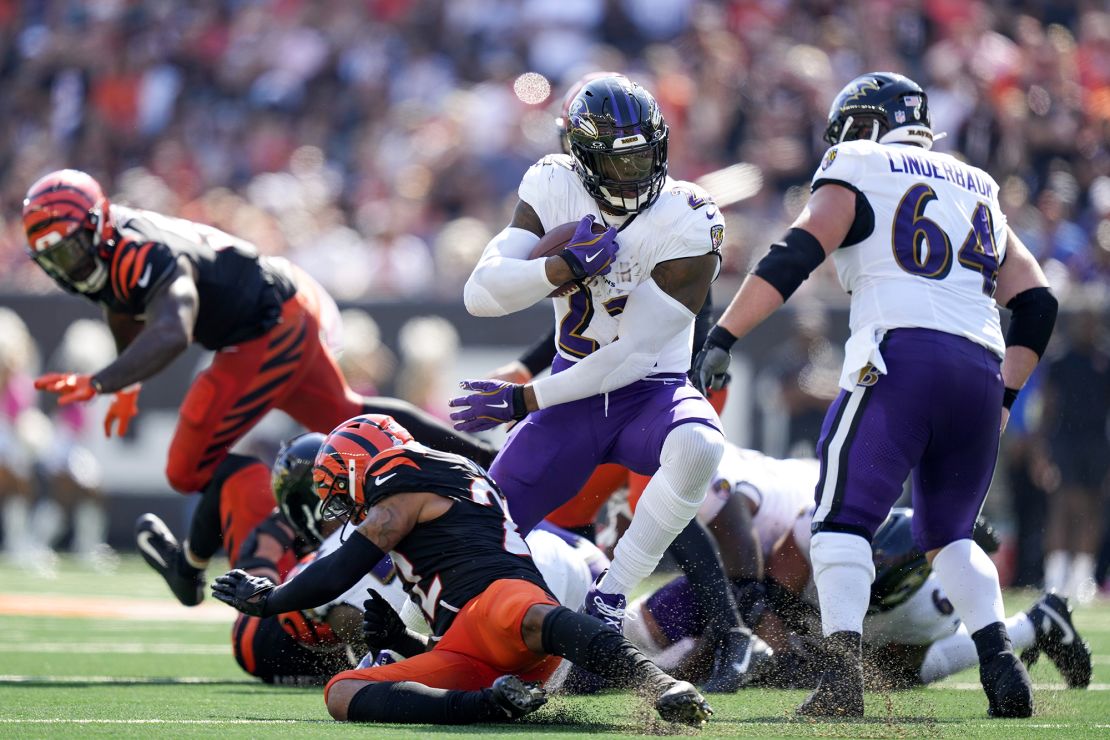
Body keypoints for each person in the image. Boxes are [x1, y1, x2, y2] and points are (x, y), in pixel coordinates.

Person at [691, 72, 1059, 718]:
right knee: (948, 534)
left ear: (862, 125)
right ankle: (1001, 664)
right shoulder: (977, 184)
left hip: (900, 357)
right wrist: (1002, 400)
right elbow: (1036, 302)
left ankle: (841, 680)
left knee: (839, 520)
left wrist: (724, 334)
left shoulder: (858, 160)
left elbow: (797, 251)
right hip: (978, 368)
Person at [21, 169, 496, 605]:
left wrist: (105, 379)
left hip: (265, 324)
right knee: (345, 413)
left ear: (98, 224)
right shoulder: (111, 249)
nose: (68, 266)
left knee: (187, 468)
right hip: (278, 304)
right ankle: (484, 461)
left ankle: (201, 565)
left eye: (69, 249)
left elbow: (172, 329)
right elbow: (123, 306)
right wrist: (126, 384)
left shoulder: (144, 248)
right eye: (53, 258)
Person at [450, 76, 727, 654]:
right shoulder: (553, 182)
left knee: (701, 446)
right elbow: (481, 294)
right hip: (572, 403)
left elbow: (632, 356)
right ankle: (410, 631)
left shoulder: (689, 216)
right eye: (616, 161)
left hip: (649, 391)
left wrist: (527, 398)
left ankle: (611, 595)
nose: (634, 173)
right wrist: (556, 269)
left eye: (643, 156)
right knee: (472, 541)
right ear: (582, 159)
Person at [212, 414, 712, 726]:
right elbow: (448, 624)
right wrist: (403, 644)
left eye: (343, 494)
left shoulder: (405, 473)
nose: (347, 511)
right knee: (343, 693)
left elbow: (343, 568)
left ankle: (659, 684)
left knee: (526, 615)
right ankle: (490, 706)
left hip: (499, 602)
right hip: (471, 650)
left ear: (358, 465)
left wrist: (270, 599)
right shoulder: (415, 490)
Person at [631, 504, 1092, 693]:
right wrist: (774, 652)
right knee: (746, 609)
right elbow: (769, 597)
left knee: (895, 680)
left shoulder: (926, 609)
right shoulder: (822, 529)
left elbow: (896, 670)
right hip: (770, 591)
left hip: (874, 633)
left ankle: (1033, 624)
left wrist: (817, 663)